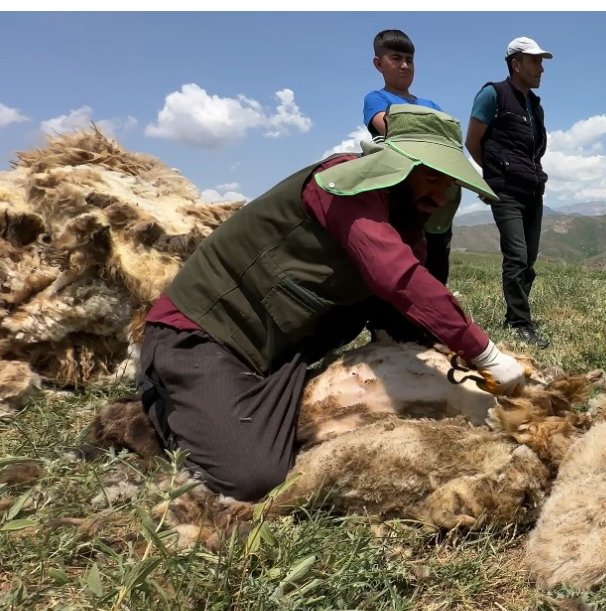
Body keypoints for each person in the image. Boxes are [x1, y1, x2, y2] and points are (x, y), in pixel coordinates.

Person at [135, 104, 527, 503]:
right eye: (430, 178)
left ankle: (250, 403)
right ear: (398, 170)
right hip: (202, 337)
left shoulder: (405, 224)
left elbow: (407, 305)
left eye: (447, 183)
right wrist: (485, 353)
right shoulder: (342, 189)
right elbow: (397, 277)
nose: (439, 194)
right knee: (254, 476)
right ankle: (163, 401)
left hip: (277, 355)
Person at [465, 36, 553, 349]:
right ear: (516, 64)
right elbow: (473, 141)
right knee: (515, 256)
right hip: (505, 191)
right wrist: (493, 174)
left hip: (532, 188)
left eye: (541, 61)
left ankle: (513, 314)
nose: (541, 68)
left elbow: (534, 150)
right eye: (535, 61)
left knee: (528, 259)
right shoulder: (493, 94)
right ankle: (520, 323)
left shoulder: (535, 105)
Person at [362, 28, 459, 286]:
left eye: (409, 59)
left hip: (436, 190)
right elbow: (390, 128)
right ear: (378, 63)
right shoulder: (376, 98)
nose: (405, 66)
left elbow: (452, 141)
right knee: (400, 257)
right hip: (399, 191)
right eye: (396, 58)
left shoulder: (431, 104)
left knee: (437, 257)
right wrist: (433, 134)